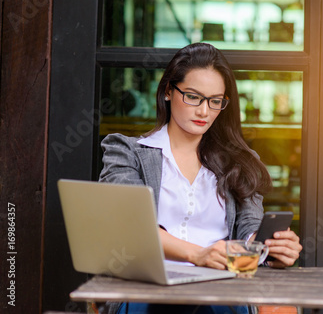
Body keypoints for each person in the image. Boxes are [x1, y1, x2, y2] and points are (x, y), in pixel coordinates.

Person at [98, 43, 302, 313]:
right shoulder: (127, 153)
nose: (204, 111)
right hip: (148, 287)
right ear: (169, 91)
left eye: (215, 101)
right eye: (193, 97)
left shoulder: (240, 160)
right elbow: (131, 227)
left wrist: (269, 249)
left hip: (222, 290)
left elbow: (250, 226)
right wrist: (198, 254)